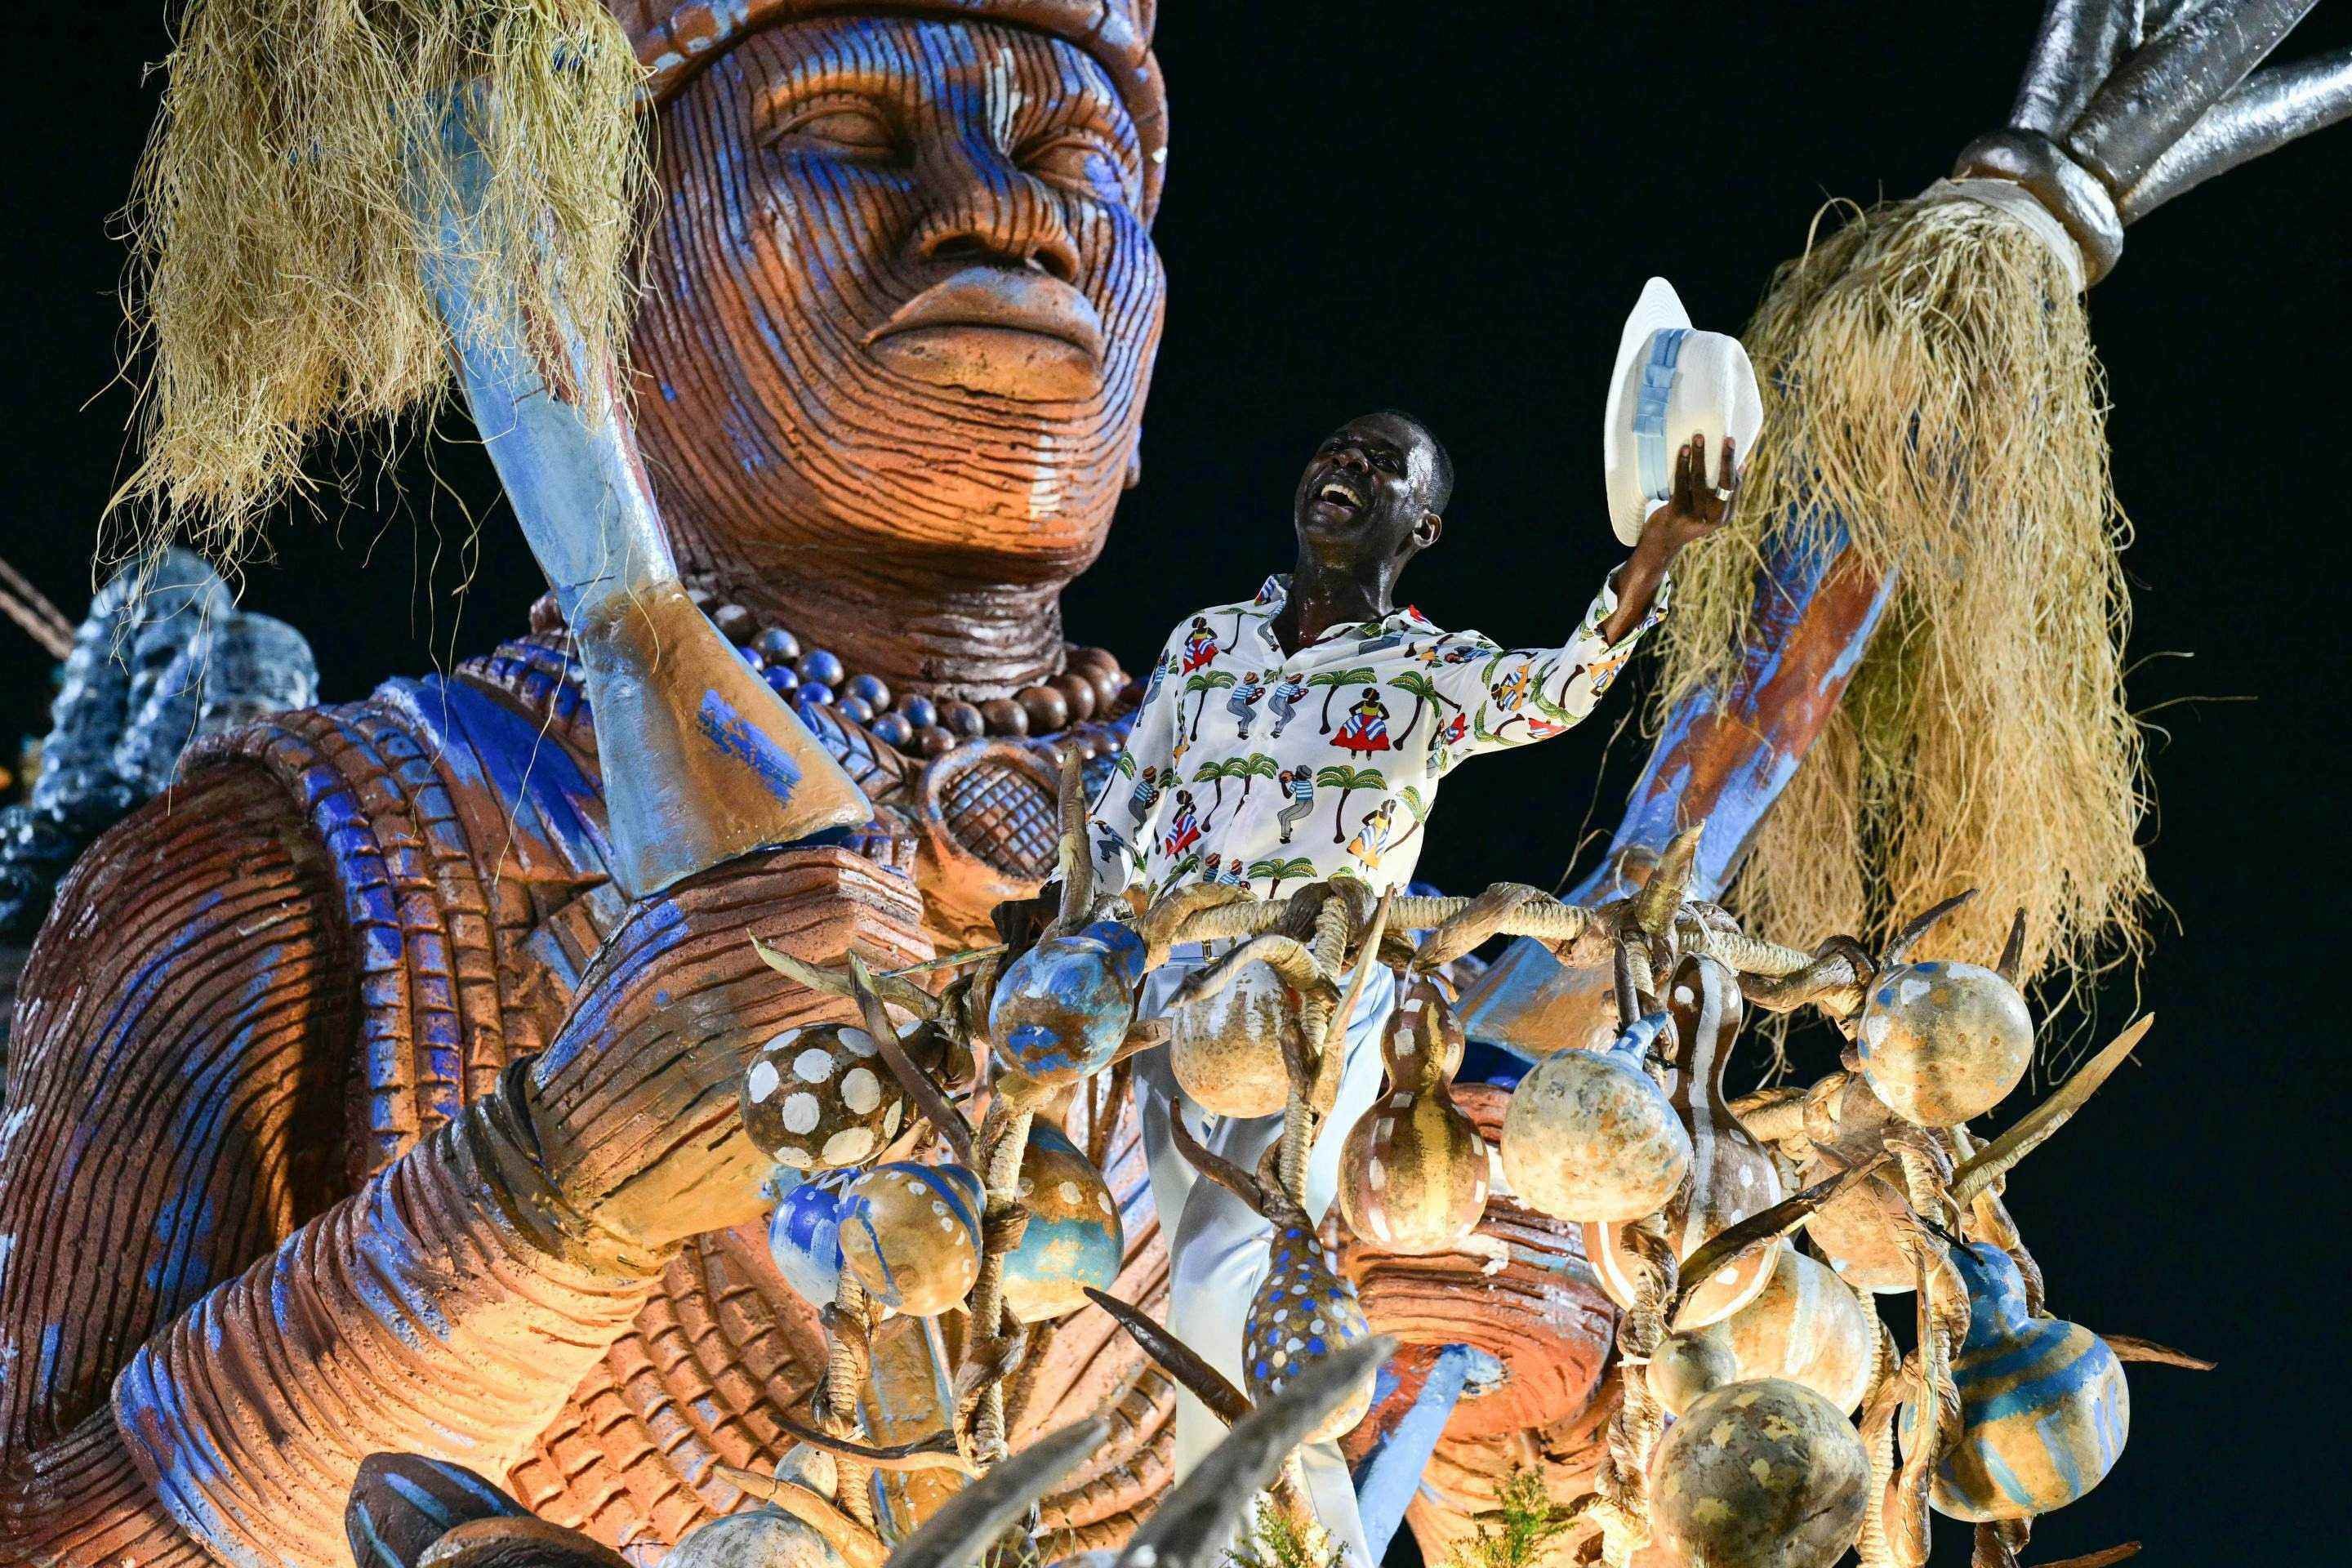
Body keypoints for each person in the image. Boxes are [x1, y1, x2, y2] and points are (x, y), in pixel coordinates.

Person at [1088, 408, 1736, 1561]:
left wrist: (1657, 557)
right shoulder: (1204, 643)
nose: (1343, 466)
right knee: (1225, 1282)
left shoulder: (1425, 672)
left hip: (1320, 997)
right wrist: (1073, 919)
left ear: (1418, 527)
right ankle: (1310, 1545)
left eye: (1381, 468)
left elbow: (1560, 688)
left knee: (1223, 1263)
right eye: (1333, 450)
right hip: (1183, 996)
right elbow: (1129, 805)